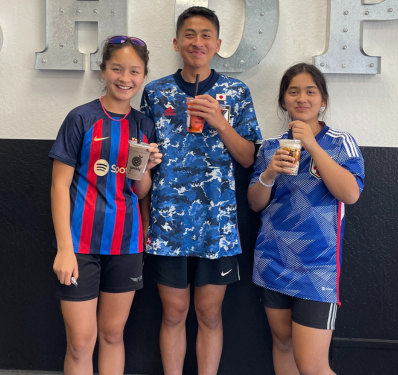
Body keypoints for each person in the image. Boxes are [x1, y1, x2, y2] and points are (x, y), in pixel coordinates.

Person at [140, 6, 262, 375]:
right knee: (173, 313)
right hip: (167, 223)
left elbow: (248, 159)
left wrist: (221, 124)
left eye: (206, 35)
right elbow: (142, 158)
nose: (198, 42)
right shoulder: (155, 92)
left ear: (218, 44)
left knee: (210, 313)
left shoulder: (235, 92)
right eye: (189, 34)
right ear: (177, 42)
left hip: (217, 224)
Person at [49, 36, 162, 375]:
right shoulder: (80, 118)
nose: (125, 78)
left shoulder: (143, 124)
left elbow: (140, 191)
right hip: (79, 246)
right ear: (103, 71)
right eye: (117, 69)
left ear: (143, 76)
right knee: (82, 341)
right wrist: (64, 250)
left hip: (126, 244)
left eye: (134, 71)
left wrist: (146, 167)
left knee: (113, 335)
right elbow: (58, 185)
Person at [248, 63, 365, 375]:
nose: (302, 98)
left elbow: (350, 194)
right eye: (293, 91)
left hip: (318, 266)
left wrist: (312, 145)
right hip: (273, 259)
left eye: (310, 91)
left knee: (312, 365)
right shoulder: (271, 147)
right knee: (283, 344)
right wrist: (269, 172)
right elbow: (255, 203)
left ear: (322, 100)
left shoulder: (341, 142)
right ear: (284, 100)